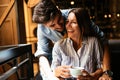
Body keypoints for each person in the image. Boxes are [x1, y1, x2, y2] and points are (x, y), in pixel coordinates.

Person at [32, 0, 112, 80]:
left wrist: (106, 73)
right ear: (45, 25)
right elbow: (43, 53)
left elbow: (104, 42)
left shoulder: (75, 15)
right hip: (59, 66)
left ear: (58, 10)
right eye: (53, 25)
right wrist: (52, 75)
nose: (59, 26)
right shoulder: (43, 29)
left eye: (59, 19)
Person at [51, 8, 103, 80]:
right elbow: (54, 71)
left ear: (83, 26)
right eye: (67, 21)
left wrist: (92, 76)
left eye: (73, 22)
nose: (68, 26)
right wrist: (57, 72)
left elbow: (101, 67)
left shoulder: (93, 42)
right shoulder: (59, 45)